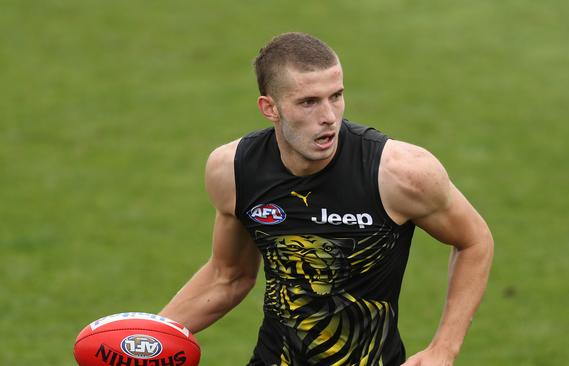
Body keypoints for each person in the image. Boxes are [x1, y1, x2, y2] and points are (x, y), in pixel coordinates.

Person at [160, 32, 494, 366]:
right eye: (309, 102)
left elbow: (475, 241)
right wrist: (147, 337)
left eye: (336, 96)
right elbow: (228, 275)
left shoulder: (401, 173)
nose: (329, 116)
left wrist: (444, 349)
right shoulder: (233, 171)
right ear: (270, 108)